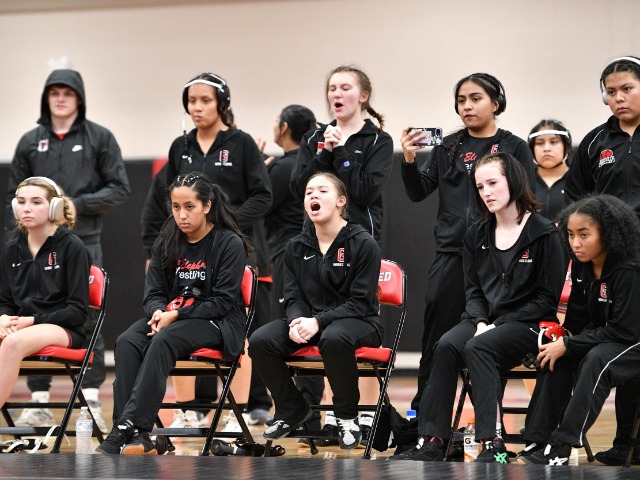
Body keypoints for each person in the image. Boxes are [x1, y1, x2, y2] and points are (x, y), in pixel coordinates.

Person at [392, 152, 565, 463]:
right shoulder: (476, 232)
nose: (486, 192)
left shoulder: (545, 233)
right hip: (484, 322)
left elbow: (546, 300)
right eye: (480, 186)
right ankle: (433, 439)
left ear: (513, 181)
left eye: (493, 183)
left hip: (529, 324)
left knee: (478, 347)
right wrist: (482, 321)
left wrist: (497, 325)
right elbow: (473, 290)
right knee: (446, 345)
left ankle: (492, 443)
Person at [140, 72, 272, 431]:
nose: (197, 107)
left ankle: (238, 411)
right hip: (187, 252)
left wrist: (223, 224)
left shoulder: (242, 143)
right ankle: (189, 409)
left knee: (237, 328)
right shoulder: (179, 146)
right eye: (191, 101)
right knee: (180, 319)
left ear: (222, 104)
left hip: (231, 249)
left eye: (205, 100)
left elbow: (263, 196)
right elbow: (169, 199)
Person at [400, 73, 536, 411]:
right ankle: (423, 413)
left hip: (497, 258)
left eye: (476, 99)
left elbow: (526, 201)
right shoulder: (448, 146)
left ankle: (489, 417)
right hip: (450, 254)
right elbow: (418, 191)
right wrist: (409, 160)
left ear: (496, 103)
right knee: (435, 338)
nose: (467, 106)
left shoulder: (514, 146)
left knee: (488, 336)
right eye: (461, 100)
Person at [5, 69, 130, 433]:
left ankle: (89, 396)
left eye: (67, 93)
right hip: (35, 242)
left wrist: (75, 204)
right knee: (27, 306)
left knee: (86, 314)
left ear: (79, 98)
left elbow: (120, 187)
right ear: (46, 98)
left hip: (82, 238)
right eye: (54, 92)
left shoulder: (99, 137)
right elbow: (15, 192)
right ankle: (38, 400)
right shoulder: (31, 141)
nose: (60, 99)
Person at [96, 172, 250, 455]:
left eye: (189, 207)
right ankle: (137, 434)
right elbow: (153, 291)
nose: (182, 215)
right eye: (176, 207)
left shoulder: (228, 243)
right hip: (171, 319)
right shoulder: (167, 240)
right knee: (127, 341)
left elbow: (222, 302)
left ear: (207, 205)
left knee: (163, 340)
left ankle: (125, 426)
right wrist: (158, 311)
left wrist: (176, 316)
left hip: (217, 322)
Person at [290, 65, 393, 440]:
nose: (336, 93)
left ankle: (363, 414)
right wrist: (324, 152)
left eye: (345, 87)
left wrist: (344, 152)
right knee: (316, 323)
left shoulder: (377, 139)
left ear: (363, 96)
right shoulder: (314, 137)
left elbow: (364, 191)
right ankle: (325, 415)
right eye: (332, 88)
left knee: (352, 326)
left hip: (357, 243)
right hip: (314, 242)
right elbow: (298, 188)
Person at [249, 172, 383, 450]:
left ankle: (346, 416)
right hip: (312, 322)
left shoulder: (363, 243)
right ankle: (291, 408)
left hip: (360, 321)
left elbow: (360, 302)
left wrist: (318, 322)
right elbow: (293, 296)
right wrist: (297, 320)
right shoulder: (295, 246)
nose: (313, 195)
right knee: (261, 341)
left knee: (334, 338)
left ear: (341, 201)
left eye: (322, 191)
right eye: (309, 192)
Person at [521, 195, 640, 466]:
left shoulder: (630, 269)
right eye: (571, 235)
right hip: (612, 338)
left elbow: (624, 331)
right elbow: (576, 320)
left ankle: (562, 445)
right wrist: (559, 342)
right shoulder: (580, 266)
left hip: (632, 340)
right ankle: (537, 441)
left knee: (597, 359)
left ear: (607, 233)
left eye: (584, 235)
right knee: (556, 357)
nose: (575, 243)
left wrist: (571, 344)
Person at [564, 55, 640, 466]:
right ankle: (625, 443)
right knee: (621, 349)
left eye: (627, 88)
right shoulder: (596, 142)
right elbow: (578, 199)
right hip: (611, 261)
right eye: (611, 92)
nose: (618, 97)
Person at [0, 177, 90, 411]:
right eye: (21, 202)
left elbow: (77, 312)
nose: (26, 208)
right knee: (10, 338)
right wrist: (3, 317)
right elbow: (5, 301)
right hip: (22, 326)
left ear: (54, 207)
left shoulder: (72, 247)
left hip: (64, 329)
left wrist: (32, 321)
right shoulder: (11, 249)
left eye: (36, 202)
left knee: (12, 343)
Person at [266, 104, 317, 317]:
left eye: (276, 120)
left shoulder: (285, 167)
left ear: (284, 127)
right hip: (309, 250)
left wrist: (257, 174)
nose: (274, 126)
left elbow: (261, 203)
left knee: (285, 318)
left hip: (287, 250)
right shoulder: (312, 163)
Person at [528, 119, 572, 221]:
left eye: (554, 142)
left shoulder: (579, 180)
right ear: (531, 149)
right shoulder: (523, 182)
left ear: (567, 147)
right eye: (540, 143)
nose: (546, 148)